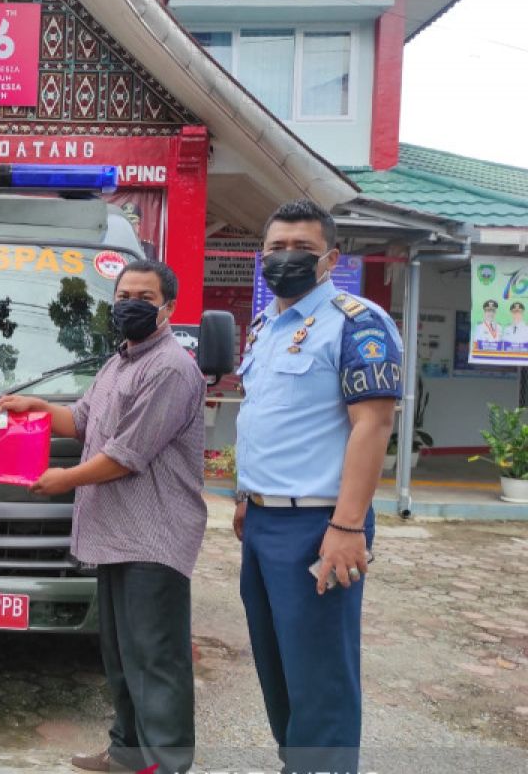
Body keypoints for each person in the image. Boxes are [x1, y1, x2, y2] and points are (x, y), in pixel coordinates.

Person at [0, 259, 206, 774]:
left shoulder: (170, 368)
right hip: (114, 535)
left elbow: (126, 454)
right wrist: (35, 407)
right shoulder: (120, 363)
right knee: (121, 657)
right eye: (123, 295)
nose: (130, 303)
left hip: (153, 538)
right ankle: (126, 753)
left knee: (157, 661)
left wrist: (61, 481)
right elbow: (82, 421)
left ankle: (166, 764)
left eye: (144, 295)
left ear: (168, 308)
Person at [234, 199, 401, 774]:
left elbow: (373, 425)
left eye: (301, 249)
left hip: (320, 525)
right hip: (262, 522)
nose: (286, 259)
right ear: (261, 256)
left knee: (320, 672)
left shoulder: (358, 322)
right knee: (278, 665)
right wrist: (244, 498)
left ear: (329, 258)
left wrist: (349, 526)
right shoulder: (265, 327)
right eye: (276, 248)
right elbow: (268, 415)